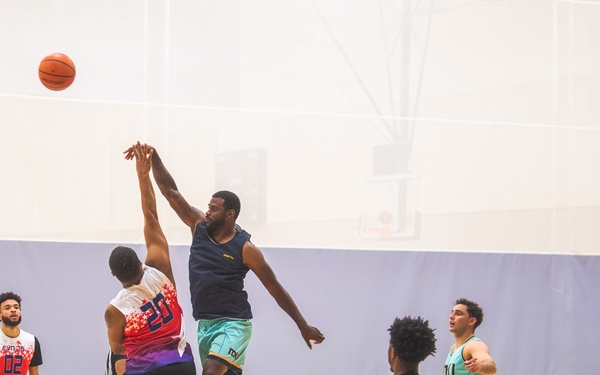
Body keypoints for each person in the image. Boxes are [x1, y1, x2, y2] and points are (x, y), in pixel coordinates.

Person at [124, 144, 325, 375]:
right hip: (205, 324)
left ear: (230, 214)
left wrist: (301, 324)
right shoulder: (198, 225)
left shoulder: (246, 249)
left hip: (234, 323)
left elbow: (275, 288)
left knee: (211, 371)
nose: (207, 211)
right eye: (208, 207)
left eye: (214, 208)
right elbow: (171, 192)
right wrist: (154, 157)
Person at [105, 143, 196, 375]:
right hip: (180, 364)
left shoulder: (115, 309)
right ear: (139, 263)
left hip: (143, 369)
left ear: (113, 274)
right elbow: (151, 215)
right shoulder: (160, 272)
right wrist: (142, 173)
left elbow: (117, 346)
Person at [445, 298, 497, 375]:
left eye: (458, 313)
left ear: (471, 321)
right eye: (452, 312)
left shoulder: (473, 345)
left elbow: (491, 366)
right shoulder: (453, 348)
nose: (451, 316)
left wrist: (480, 366)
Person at [0, 292, 43, 375]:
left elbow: (34, 373)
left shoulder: (31, 341)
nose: (13, 310)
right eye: (7, 308)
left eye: (16, 307)